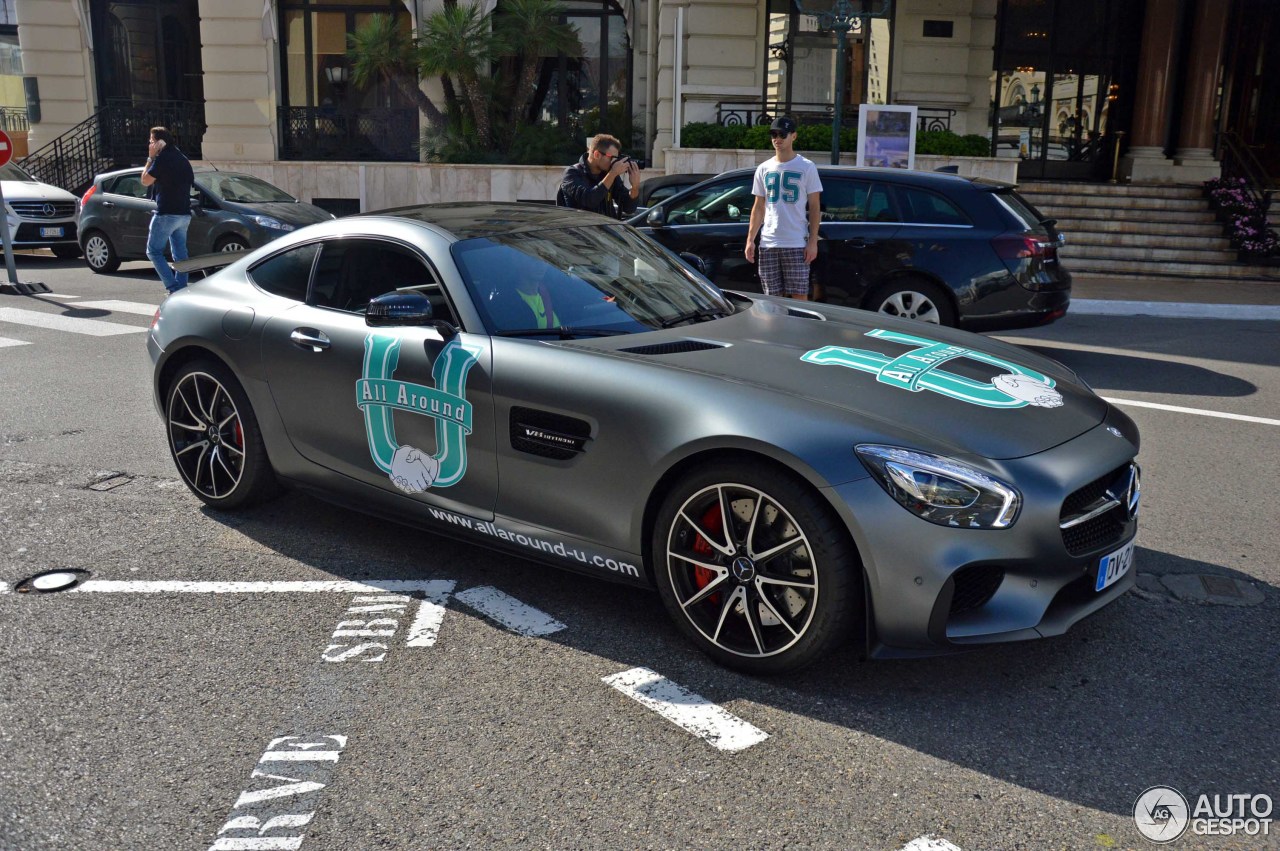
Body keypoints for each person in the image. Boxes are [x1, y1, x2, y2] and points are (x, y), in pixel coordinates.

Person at [745, 116, 823, 300]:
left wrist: (813, 241)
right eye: (773, 134)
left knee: (799, 297)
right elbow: (758, 207)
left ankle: (798, 329)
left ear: (793, 136)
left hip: (796, 242)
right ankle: (775, 329)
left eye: (782, 134)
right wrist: (750, 240)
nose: (777, 139)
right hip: (768, 243)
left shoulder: (807, 167)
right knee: (772, 298)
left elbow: (814, 206)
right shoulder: (764, 168)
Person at [139, 126, 194, 294]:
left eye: (151, 141)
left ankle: (173, 287)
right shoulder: (182, 157)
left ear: (159, 143)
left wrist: (150, 158)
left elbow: (145, 181)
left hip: (166, 213)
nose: (149, 144)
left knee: (153, 251)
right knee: (180, 255)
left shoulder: (162, 159)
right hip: (184, 214)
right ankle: (182, 289)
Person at [556, 133, 641, 219]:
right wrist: (612, 173)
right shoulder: (572, 173)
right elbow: (589, 200)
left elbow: (629, 209)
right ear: (597, 154)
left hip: (606, 230)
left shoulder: (608, 173)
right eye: (611, 157)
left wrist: (634, 187)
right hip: (581, 231)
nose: (613, 162)